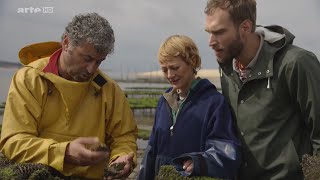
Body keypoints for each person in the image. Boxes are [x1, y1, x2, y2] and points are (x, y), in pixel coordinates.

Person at [0, 12, 137, 179]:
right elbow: (13, 141)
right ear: (66, 43)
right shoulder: (30, 79)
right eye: (87, 58)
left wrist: (121, 157)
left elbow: (123, 137)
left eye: (99, 61)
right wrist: (63, 152)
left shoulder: (108, 89)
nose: (92, 69)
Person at [204, 0, 320, 179]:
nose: (211, 42)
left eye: (219, 32)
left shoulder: (296, 63)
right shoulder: (227, 66)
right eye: (209, 33)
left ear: (245, 27)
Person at [137, 35, 241, 180]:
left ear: (193, 62)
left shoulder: (214, 103)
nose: (170, 75)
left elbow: (226, 151)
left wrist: (198, 163)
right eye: (164, 69)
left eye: (174, 68)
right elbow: (151, 152)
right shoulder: (163, 102)